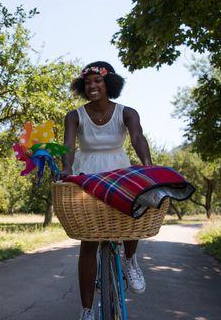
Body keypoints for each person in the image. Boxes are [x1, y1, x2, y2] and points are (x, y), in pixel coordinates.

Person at [60, 61, 152, 320]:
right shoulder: (74, 115)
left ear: (109, 83)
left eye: (97, 81)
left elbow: (137, 138)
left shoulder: (127, 113)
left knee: (134, 212)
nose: (92, 86)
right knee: (88, 242)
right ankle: (87, 310)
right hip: (86, 174)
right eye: (87, 82)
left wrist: (147, 165)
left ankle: (130, 260)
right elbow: (68, 146)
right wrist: (66, 169)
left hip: (118, 170)